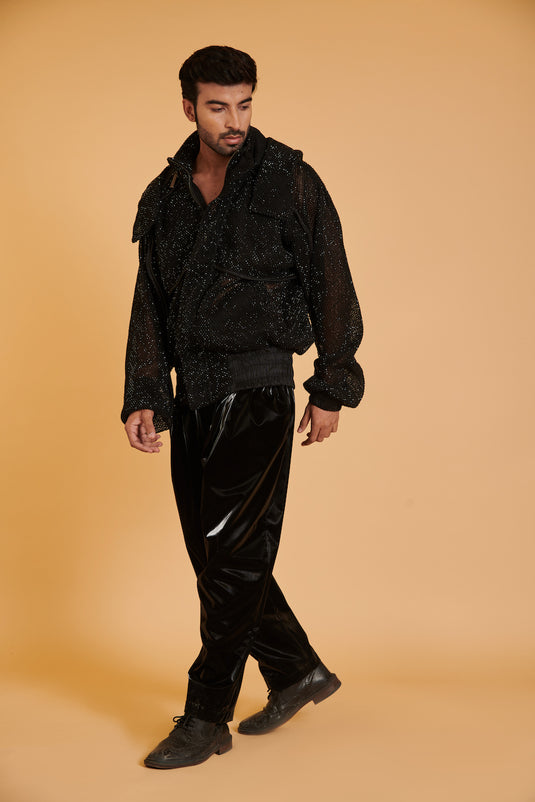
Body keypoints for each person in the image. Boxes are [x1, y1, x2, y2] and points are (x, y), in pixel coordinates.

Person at [121, 45, 364, 769]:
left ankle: (206, 717)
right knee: (216, 558)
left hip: (257, 389)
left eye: (245, 104)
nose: (234, 120)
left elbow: (330, 279)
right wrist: (146, 395)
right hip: (192, 394)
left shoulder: (288, 179)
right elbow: (149, 302)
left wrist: (331, 385)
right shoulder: (165, 195)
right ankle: (295, 669)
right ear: (189, 107)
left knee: (230, 562)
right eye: (218, 106)